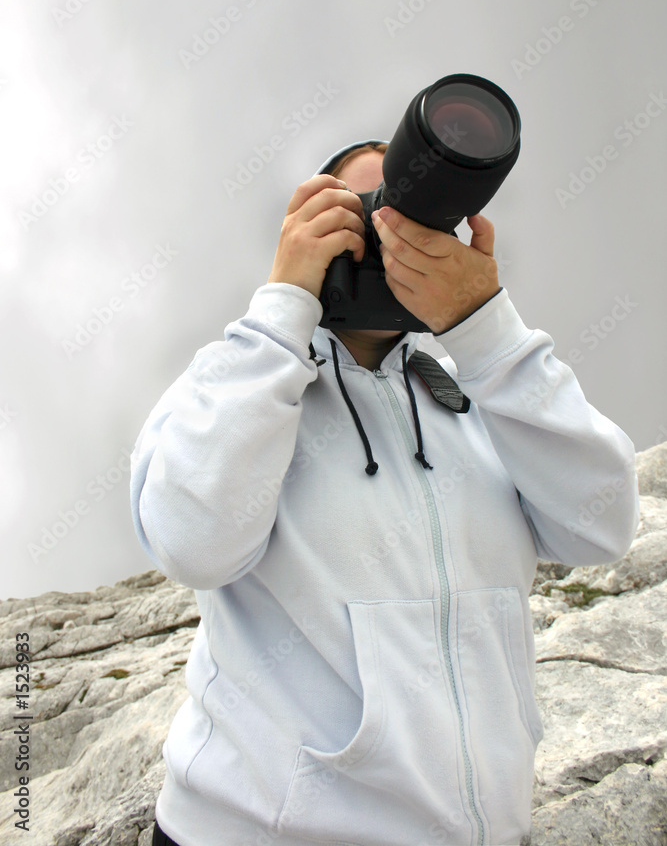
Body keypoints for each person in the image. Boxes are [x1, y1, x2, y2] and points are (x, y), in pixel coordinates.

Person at [131, 139, 640, 846]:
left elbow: (603, 526)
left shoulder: (477, 390)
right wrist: (283, 309)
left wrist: (486, 328)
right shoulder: (243, 380)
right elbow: (194, 544)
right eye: (367, 212)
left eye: (418, 219)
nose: (393, 235)